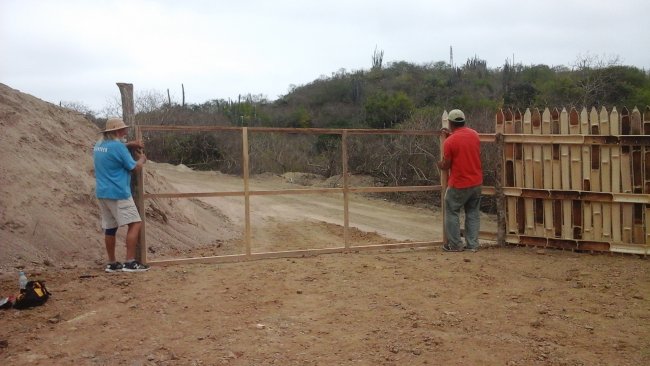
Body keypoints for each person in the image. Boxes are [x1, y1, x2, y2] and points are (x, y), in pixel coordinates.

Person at [93, 117, 150, 272]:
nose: (125, 131)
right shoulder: (118, 148)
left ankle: (112, 263)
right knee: (135, 223)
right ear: (117, 131)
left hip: (103, 192)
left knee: (110, 228)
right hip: (118, 192)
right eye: (123, 129)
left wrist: (130, 144)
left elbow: (115, 148)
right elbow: (134, 168)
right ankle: (130, 262)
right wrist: (142, 160)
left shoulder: (99, 145)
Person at [437, 109, 483, 252]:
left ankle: (455, 245)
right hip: (476, 181)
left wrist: (439, 164)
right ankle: (473, 245)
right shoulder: (474, 135)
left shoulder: (449, 142)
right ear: (464, 121)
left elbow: (447, 164)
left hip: (459, 183)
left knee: (451, 210)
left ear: (450, 123)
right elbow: (463, 141)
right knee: (473, 213)